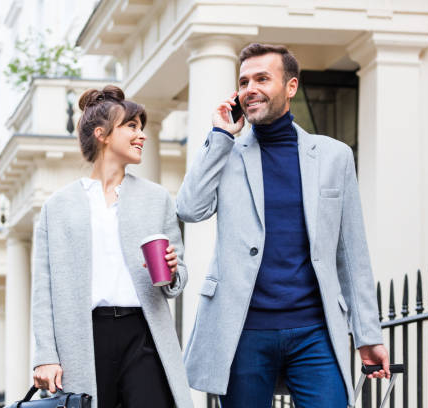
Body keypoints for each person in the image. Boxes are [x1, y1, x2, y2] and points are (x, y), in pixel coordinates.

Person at [177, 43, 389, 407]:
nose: (250, 89)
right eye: (243, 82)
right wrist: (220, 137)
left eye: (262, 78)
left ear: (291, 87)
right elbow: (190, 208)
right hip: (242, 331)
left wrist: (367, 334)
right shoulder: (226, 153)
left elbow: (352, 253)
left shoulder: (333, 156)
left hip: (315, 332)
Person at [31, 85, 193, 408]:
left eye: (142, 128)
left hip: (143, 334)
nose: (141, 135)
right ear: (102, 133)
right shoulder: (58, 206)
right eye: (131, 126)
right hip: (84, 337)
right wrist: (45, 355)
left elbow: (176, 281)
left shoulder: (156, 198)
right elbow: (43, 290)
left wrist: (174, 269)